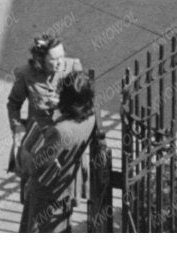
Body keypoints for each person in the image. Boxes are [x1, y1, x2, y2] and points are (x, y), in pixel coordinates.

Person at [15, 69, 106, 233]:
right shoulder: (91, 117)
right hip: (66, 187)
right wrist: (59, 104)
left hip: (46, 195)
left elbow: (36, 166)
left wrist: (23, 152)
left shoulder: (59, 132)